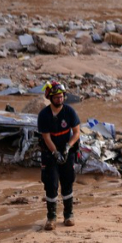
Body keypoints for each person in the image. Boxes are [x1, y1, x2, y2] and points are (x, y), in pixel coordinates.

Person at [38, 81, 80, 230]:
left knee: (68, 182)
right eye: (56, 97)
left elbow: (76, 132)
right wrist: (55, 153)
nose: (59, 99)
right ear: (50, 98)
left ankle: (69, 215)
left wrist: (68, 147)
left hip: (67, 151)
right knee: (51, 185)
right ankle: (51, 218)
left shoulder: (69, 112)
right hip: (50, 154)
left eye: (61, 96)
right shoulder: (44, 115)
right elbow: (46, 137)